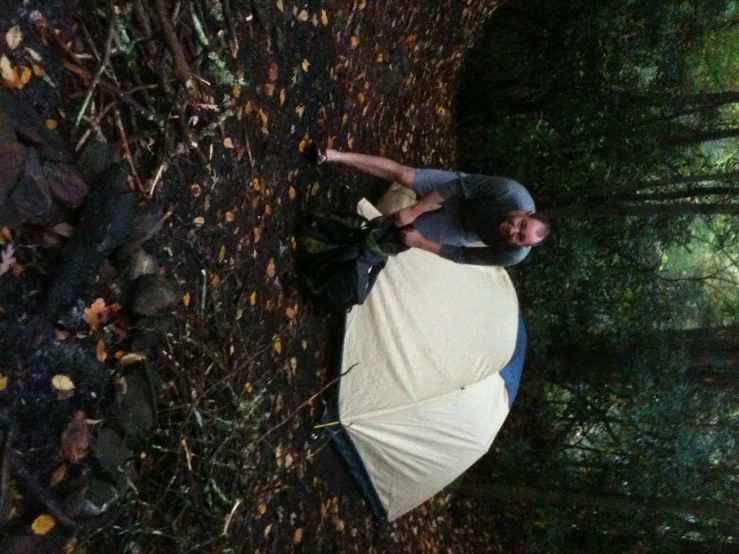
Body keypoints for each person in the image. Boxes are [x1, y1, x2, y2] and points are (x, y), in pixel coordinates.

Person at [306, 145, 550, 266]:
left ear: (523, 246)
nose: (513, 230)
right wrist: (415, 209)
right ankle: (333, 155)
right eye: (521, 224)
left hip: (462, 228)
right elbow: (455, 187)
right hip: (463, 193)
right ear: (525, 213)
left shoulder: (511, 255)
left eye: (520, 237)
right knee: (405, 176)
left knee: (400, 234)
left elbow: (462, 255)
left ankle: (329, 240)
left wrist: (419, 242)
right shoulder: (510, 191)